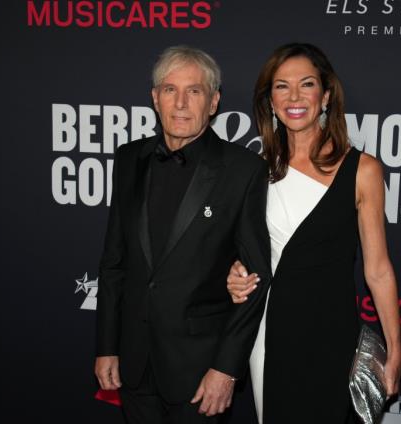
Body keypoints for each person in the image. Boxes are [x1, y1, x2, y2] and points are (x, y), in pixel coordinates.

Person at [94, 45, 272, 424]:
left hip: (200, 369)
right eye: (170, 90)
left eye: (194, 91)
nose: (180, 103)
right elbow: (113, 263)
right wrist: (107, 346)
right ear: (155, 98)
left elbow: (255, 279)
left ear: (213, 102)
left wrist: (226, 368)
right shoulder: (129, 159)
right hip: (134, 362)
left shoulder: (242, 170)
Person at [226, 43, 401, 424]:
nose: (293, 97)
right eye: (281, 86)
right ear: (270, 101)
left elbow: (378, 269)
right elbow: (248, 253)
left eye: (306, 85)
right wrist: (236, 275)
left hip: (330, 331)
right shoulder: (255, 171)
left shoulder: (363, 169)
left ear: (325, 96)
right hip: (269, 330)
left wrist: (395, 347)